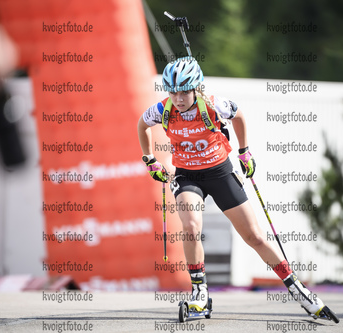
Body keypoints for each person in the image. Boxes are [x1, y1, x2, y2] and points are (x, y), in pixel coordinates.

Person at [137, 56, 329, 318]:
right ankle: (199, 293)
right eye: (173, 91)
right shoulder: (163, 109)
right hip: (187, 176)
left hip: (220, 172)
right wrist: (150, 160)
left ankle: (298, 289)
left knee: (255, 237)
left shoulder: (214, 106)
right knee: (191, 227)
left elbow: (238, 115)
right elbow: (142, 124)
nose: (178, 98)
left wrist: (244, 151)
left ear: (195, 88)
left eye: (184, 91)